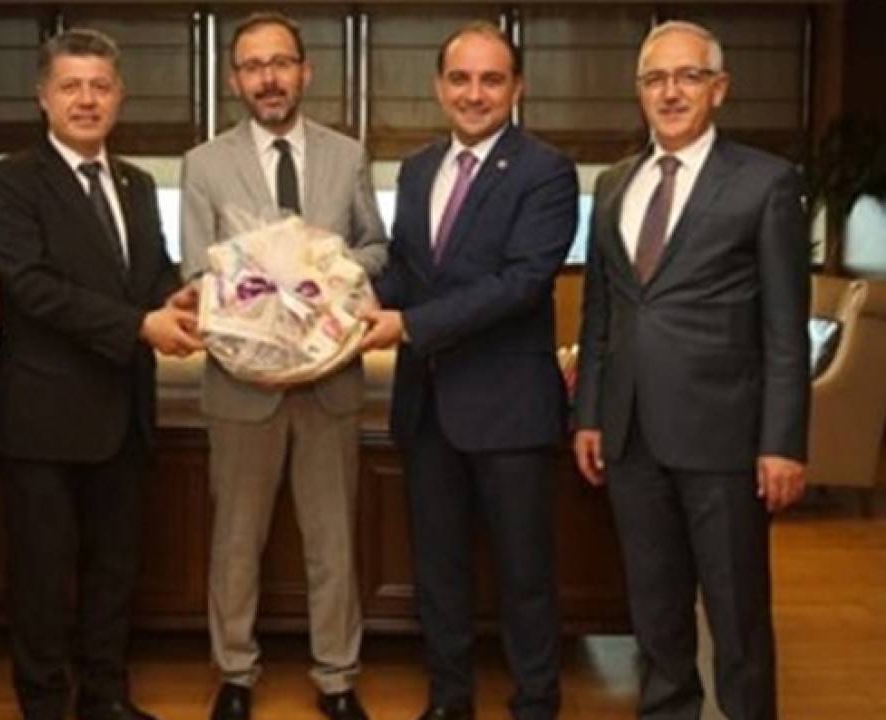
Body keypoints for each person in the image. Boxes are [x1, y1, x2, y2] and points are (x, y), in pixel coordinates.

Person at [572, 20, 809, 720]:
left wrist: (783, 442)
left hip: (725, 439)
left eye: (688, 76)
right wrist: (590, 414)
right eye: (655, 78)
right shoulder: (613, 185)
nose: (670, 92)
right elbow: (600, 316)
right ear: (639, 91)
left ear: (719, 88)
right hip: (630, 435)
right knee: (654, 608)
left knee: (737, 614)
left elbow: (785, 330)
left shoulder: (766, 182)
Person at [0, 28, 200, 720]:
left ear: (119, 96)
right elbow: (33, 288)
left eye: (100, 86)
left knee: (114, 570)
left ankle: (106, 697)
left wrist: (182, 298)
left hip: (123, 414)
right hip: (42, 419)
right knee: (42, 578)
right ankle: (45, 704)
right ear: (43, 97)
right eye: (70, 86)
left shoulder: (136, 184)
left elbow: (150, 273)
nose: (86, 100)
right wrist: (140, 325)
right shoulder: (7, 182)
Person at [360, 21, 579, 720]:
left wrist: (409, 325)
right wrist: (352, 296)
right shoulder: (418, 168)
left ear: (517, 88)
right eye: (460, 78)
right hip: (427, 407)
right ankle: (448, 700)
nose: (474, 94)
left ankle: (536, 702)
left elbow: (521, 283)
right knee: (438, 569)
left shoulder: (547, 171)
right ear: (439, 86)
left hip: (509, 407)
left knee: (525, 573)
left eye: (491, 79)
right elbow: (407, 267)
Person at [179, 11, 388, 720]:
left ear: (305, 70)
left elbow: (376, 248)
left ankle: (337, 677)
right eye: (252, 66)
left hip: (330, 381)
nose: (268, 78)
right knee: (237, 541)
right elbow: (196, 269)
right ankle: (235, 673)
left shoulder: (347, 155)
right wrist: (255, 284)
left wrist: (321, 266)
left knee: (334, 540)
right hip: (242, 387)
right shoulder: (204, 164)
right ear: (235, 79)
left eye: (280, 63)